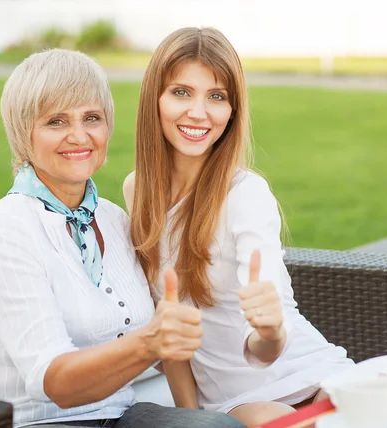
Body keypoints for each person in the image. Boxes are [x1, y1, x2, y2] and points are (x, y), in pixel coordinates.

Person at [0, 48, 244, 428]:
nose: (79, 136)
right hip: (30, 420)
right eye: (56, 121)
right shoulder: (5, 231)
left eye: (91, 118)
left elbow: (170, 340)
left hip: (117, 415)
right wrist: (149, 343)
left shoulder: (114, 220)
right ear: (22, 133)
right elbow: (53, 382)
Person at [124, 27, 355, 427]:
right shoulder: (137, 191)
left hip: (308, 372)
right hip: (236, 402)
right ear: (154, 100)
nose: (199, 112)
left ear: (232, 111)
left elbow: (267, 344)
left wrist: (268, 330)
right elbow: (171, 333)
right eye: (181, 92)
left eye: (216, 97)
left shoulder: (245, 194)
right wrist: (191, 419)